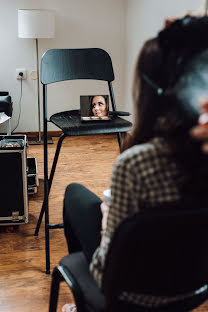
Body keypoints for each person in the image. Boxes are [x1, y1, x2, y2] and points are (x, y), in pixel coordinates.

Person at [62, 16, 208, 312]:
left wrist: (107, 222)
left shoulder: (136, 164)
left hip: (131, 296)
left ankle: (85, 306)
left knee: (76, 198)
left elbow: (108, 264)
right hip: (197, 288)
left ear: (150, 91)